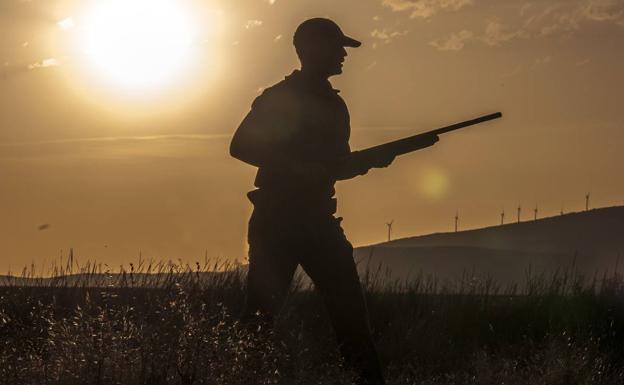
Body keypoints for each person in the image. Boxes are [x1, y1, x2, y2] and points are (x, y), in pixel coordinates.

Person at [230, 18, 438, 385]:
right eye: (336, 47)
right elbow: (241, 146)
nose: (343, 54)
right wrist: (301, 166)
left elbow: (335, 167)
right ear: (310, 49)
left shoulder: (335, 106)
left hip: (319, 220)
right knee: (260, 321)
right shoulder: (280, 98)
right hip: (277, 221)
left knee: (353, 322)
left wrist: (368, 162)